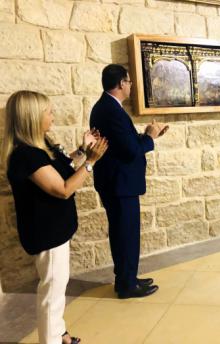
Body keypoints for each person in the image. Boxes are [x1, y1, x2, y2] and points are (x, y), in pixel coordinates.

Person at [1, 90, 108, 344]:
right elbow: (63, 189)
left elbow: (62, 168)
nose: (52, 115)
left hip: (55, 229)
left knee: (58, 286)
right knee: (52, 292)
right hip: (46, 233)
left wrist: (83, 149)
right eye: (48, 112)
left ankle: (60, 335)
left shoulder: (41, 145)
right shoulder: (26, 155)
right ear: (32, 117)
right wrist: (91, 162)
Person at [90, 64, 168, 299]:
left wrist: (145, 135)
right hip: (119, 183)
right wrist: (150, 138)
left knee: (124, 232)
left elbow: (123, 141)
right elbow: (130, 151)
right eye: (129, 81)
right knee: (126, 233)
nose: (131, 85)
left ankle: (127, 278)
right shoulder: (111, 110)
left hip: (117, 182)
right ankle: (126, 285)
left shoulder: (106, 107)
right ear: (121, 83)